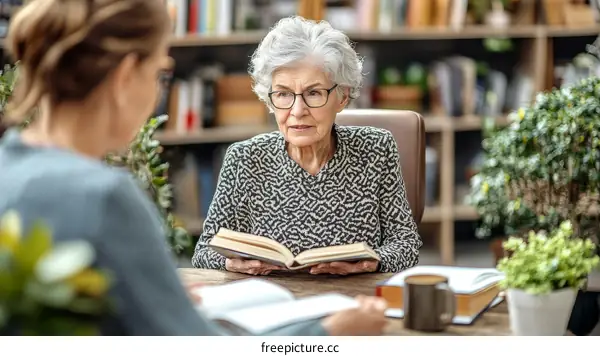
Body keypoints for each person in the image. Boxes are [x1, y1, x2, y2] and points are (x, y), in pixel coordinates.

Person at [0, 0, 387, 336]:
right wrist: (327, 332)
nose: (157, 93)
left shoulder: (8, 165)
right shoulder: (105, 197)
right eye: (159, 74)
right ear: (124, 78)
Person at [192, 16, 422, 276]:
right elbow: (203, 253)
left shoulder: (376, 149)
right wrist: (230, 263)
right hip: (275, 305)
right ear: (269, 99)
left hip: (353, 302)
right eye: (283, 94)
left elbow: (406, 245)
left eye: (313, 93)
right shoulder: (244, 159)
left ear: (342, 96)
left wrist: (373, 262)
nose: (297, 110)